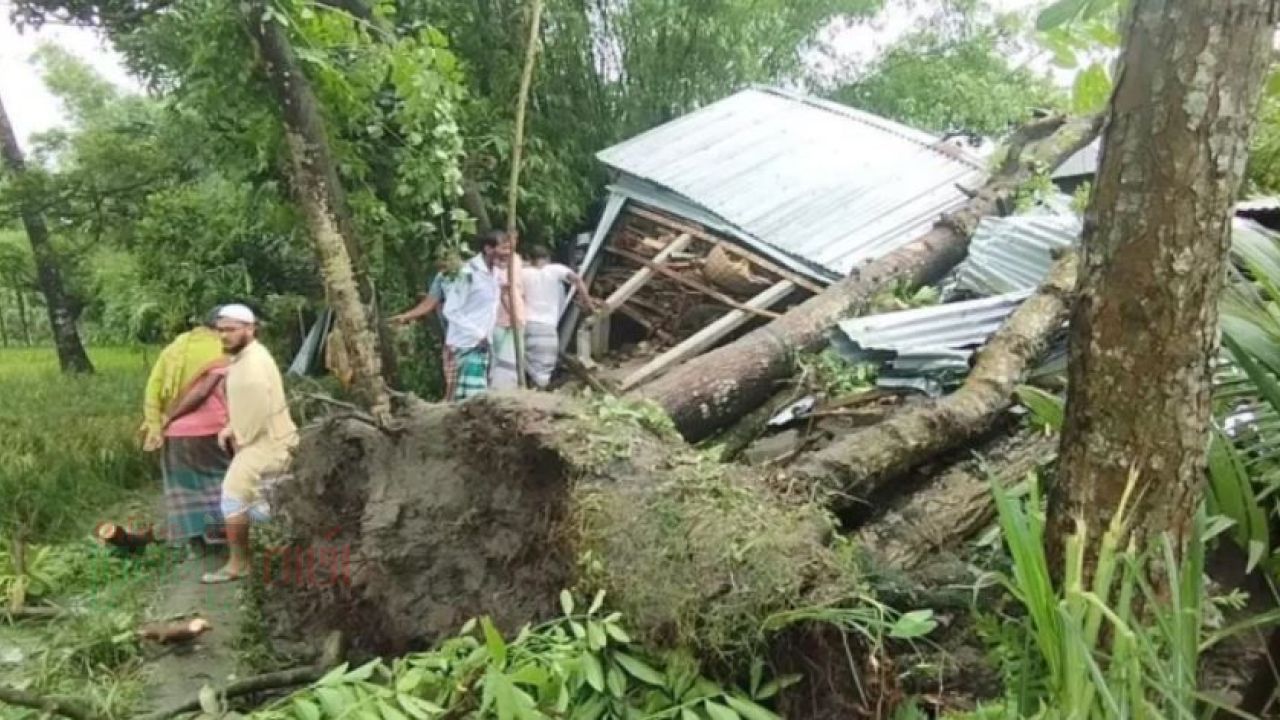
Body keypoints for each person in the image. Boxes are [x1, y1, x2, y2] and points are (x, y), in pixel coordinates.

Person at [202, 304, 298, 584]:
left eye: (230, 330)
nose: (224, 336)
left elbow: (257, 408)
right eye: (220, 330)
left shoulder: (252, 364)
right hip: (272, 440)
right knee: (271, 501)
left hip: (264, 443)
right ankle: (289, 551)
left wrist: (241, 439)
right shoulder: (246, 356)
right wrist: (232, 427)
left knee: (233, 498)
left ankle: (238, 564)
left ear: (250, 328)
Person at [140, 309, 230, 558]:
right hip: (212, 428)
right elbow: (202, 393)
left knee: (184, 486)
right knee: (221, 481)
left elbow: (153, 389)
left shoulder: (174, 350)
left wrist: (158, 422)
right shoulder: (220, 348)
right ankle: (222, 536)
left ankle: (196, 545)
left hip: (176, 434)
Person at [393, 233, 502, 401]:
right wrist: (406, 316)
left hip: (476, 336)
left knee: (465, 388)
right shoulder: (444, 278)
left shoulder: (471, 274)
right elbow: (430, 303)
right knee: (458, 387)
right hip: (460, 336)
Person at [520, 245, 598, 388]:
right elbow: (577, 280)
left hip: (525, 324)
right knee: (543, 371)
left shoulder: (522, 273)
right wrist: (589, 304)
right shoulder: (555, 269)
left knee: (525, 363)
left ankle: (525, 392)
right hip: (546, 326)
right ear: (548, 258)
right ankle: (537, 398)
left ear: (530, 259)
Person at [490, 232, 525, 391]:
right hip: (497, 316)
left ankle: (509, 388)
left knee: (514, 357)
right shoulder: (492, 264)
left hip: (516, 314)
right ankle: (494, 389)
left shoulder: (516, 260)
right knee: (495, 355)